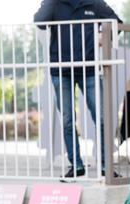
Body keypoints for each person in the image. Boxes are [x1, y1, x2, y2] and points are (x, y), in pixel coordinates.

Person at [34, 0, 122, 178]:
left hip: (88, 68)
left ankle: (105, 165)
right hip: (61, 69)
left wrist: (102, 34)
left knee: (102, 117)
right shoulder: (53, 4)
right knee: (67, 119)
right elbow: (40, 21)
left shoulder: (94, 3)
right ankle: (76, 164)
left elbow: (116, 23)